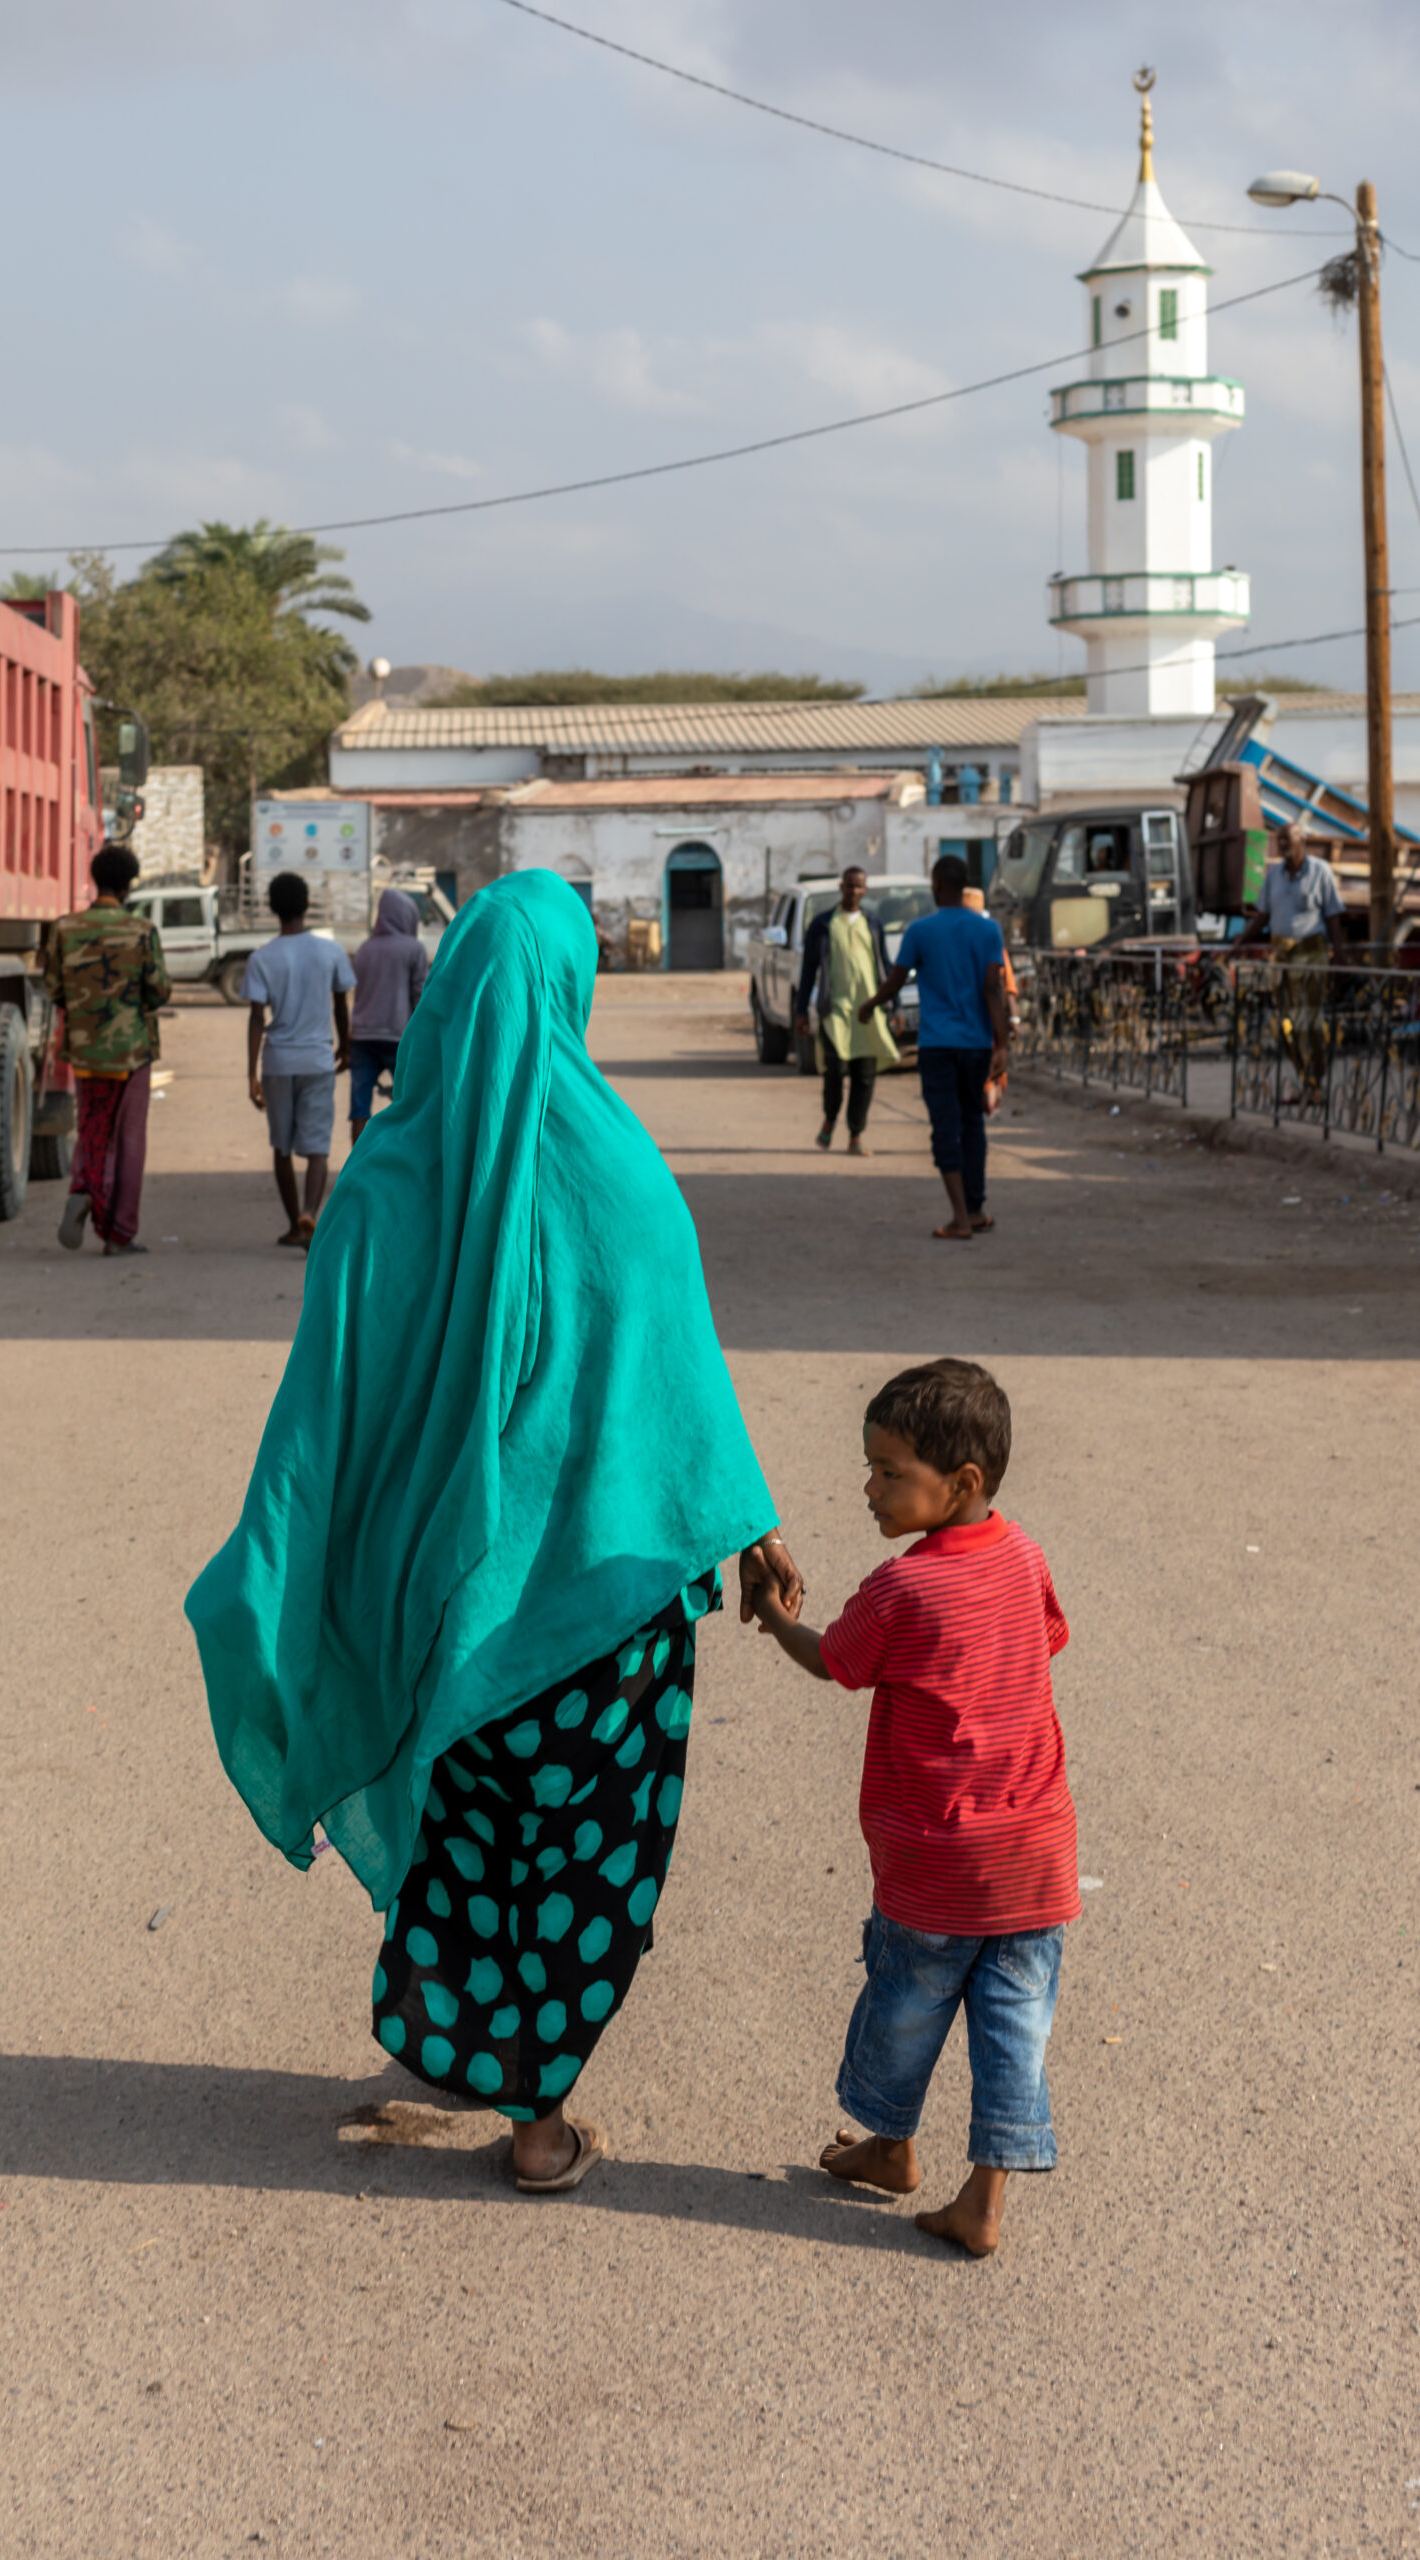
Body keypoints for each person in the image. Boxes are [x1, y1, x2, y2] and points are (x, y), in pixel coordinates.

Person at [188, 871, 804, 2194]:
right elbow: (678, 1393)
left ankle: (468, 2050)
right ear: (568, 990)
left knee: (469, 1844)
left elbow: (324, 1424)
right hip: (605, 1613)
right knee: (579, 1857)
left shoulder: (375, 1190)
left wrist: (295, 1570)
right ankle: (539, 2114)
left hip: (443, 1614)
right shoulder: (622, 1177)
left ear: (454, 983)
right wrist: (749, 1533)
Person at [744, 1358, 1077, 2258]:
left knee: (907, 2000)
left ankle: (891, 2147)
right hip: (1034, 1856)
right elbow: (1042, 1639)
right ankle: (984, 2198)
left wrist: (775, 1619)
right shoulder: (1025, 1555)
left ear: (960, 1482)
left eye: (890, 1472)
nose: (868, 1487)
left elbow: (835, 1664)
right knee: (1014, 2025)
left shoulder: (902, 1589)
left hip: (934, 1861)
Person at [861, 853, 1009, 1240]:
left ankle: (960, 1218)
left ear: (937, 886)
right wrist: (1003, 1043)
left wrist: (870, 1005)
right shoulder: (988, 931)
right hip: (977, 1044)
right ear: (964, 887)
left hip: (938, 1045)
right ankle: (975, 1209)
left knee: (945, 1126)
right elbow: (993, 988)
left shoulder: (920, 931)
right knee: (972, 1124)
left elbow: (895, 981)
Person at [44, 841, 171, 1258]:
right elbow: (159, 992)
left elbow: (54, 990)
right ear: (129, 886)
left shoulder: (64, 928)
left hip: (84, 1052)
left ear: (96, 881)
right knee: (129, 1139)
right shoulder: (141, 932)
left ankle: (84, 1188)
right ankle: (119, 1233)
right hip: (130, 1051)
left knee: (93, 1129)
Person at [243, 871, 355, 1248]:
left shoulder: (262, 957)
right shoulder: (330, 952)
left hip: (278, 1063)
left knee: (282, 1146)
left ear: (273, 908)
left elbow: (257, 1018)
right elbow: (341, 1005)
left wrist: (251, 1074)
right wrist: (346, 1046)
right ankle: (311, 1211)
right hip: (317, 1060)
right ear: (307, 906)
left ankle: (294, 1225)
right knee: (318, 1146)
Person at [795, 866, 898, 1156]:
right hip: (836, 1011)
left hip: (868, 1012)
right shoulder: (823, 925)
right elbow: (808, 971)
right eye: (849, 886)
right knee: (835, 1072)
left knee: (864, 1076)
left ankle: (856, 1135)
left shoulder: (873, 923)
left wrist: (894, 1006)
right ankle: (830, 1119)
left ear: (866, 890)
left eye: (859, 886)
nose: (854, 891)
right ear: (841, 887)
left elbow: (886, 967)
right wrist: (801, 1010)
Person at [1240, 823, 1347, 1096]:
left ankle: (1316, 1082)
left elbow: (1333, 918)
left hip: (1311, 955)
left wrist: (1341, 958)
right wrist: (1240, 942)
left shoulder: (1319, 871)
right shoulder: (1273, 874)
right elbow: (1262, 915)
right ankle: (1305, 1078)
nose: (1283, 845)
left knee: (1309, 1022)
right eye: (1280, 840)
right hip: (1283, 958)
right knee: (1285, 1024)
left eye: (1287, 839)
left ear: (1302, 841)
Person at [349, 886, 429, 1144]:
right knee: (408, 1104)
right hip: (398, 1037)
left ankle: (356, 1169)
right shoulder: (414, 948)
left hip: (362, 1036)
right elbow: (419, 997)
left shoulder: (365, 948)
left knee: (360, 1107)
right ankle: (401, 1167)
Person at [962, 887, 1020, 1117]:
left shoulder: (991, 941)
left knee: (989, 1074)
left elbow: (1008, 985)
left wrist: (1012, 1018)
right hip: (966, 1024)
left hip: (987, 1022)